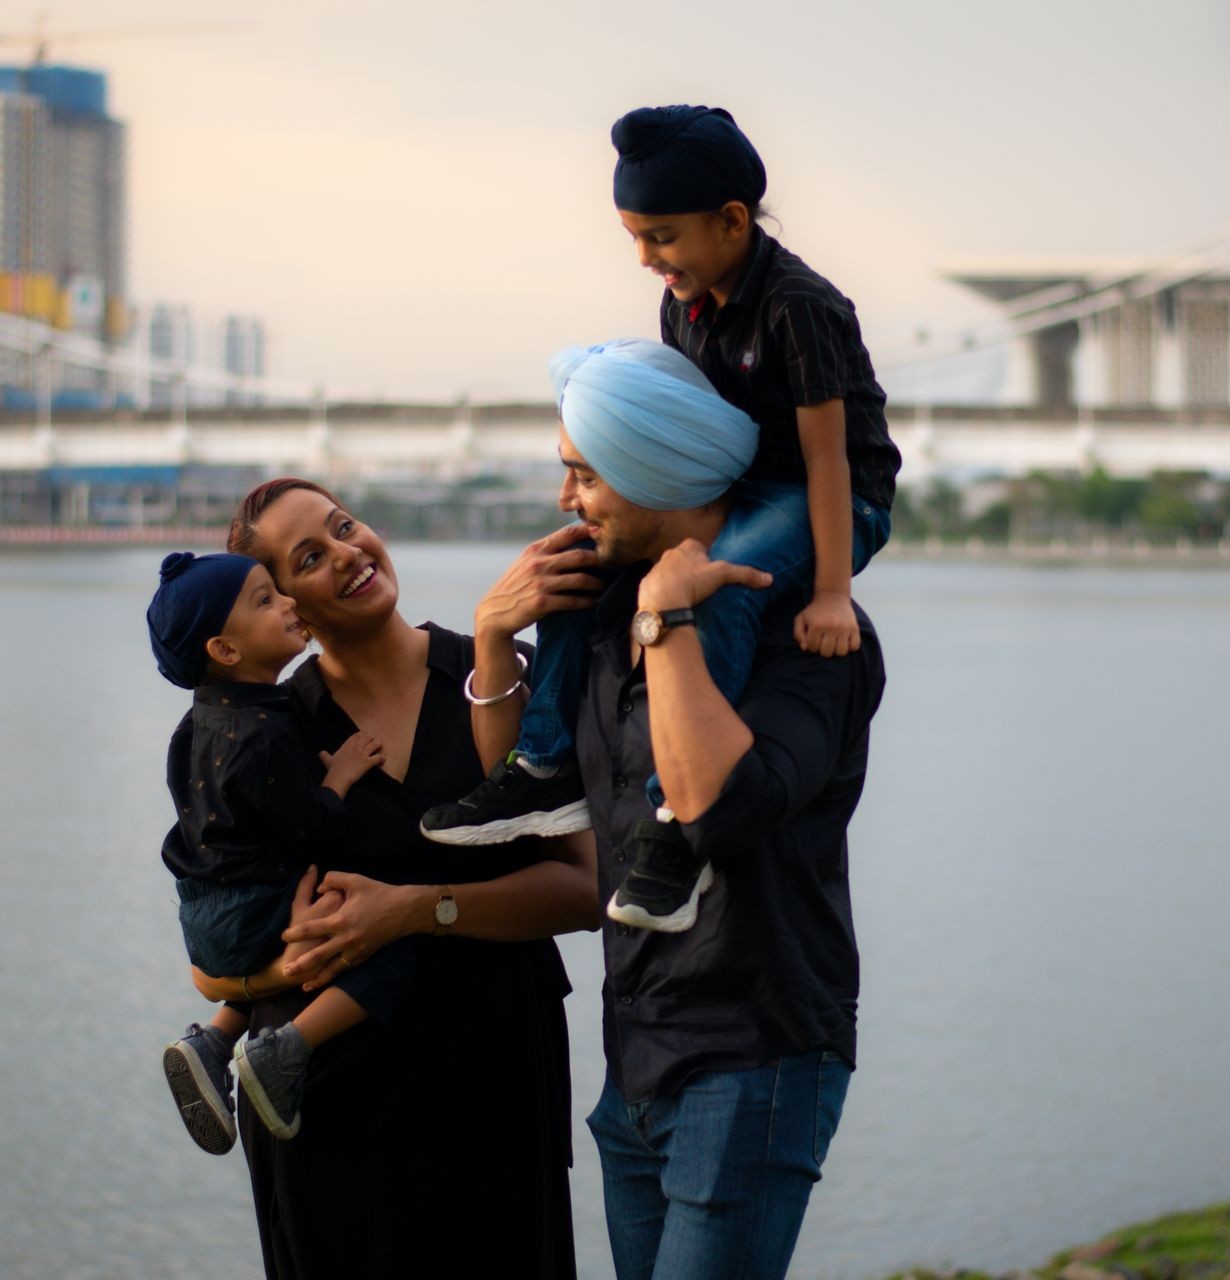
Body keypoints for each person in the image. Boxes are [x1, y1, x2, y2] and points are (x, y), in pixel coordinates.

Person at [421, 106, 900, 928]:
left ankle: (677, 826)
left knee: (719, 590)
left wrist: (827, 593)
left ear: (733, 220)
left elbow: (827, 459)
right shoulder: (685, 305)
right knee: (584, 558)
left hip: (831, 500)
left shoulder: (800, 307)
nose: (646, 259)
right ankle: (544, 765)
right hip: (744, 486)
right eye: (634, 237)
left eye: (663, 237)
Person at [468, 342, 887, 1279]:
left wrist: (670, 622)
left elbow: (711, 807)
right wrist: (496, 640)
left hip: (757, 1048)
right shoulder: (601, 617)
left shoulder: (811, 637)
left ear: (657, 472)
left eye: (584, 476)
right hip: (637, 1053)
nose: (566, 502)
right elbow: (537, 808)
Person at [187, 479, 597, 1280]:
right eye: (310, 557)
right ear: (286, 605)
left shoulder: (503, 670)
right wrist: (288, 966)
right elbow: (209, 967)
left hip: (496, 1083)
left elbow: (584, 890)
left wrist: (414, 911)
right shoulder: (271, 731)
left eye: (345, 527)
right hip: (326, 1108)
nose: (347, 553)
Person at [146, 549, 414, 1152]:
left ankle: (213, 1042)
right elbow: (314, 829)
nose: (290, 602)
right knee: (388, 951)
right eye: (266, 600)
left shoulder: (195, 726)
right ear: (226, 650)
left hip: (204, 910)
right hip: (250, 909)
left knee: (270, 948)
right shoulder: (264, 736)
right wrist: (340, 775)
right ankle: (284, 1050)